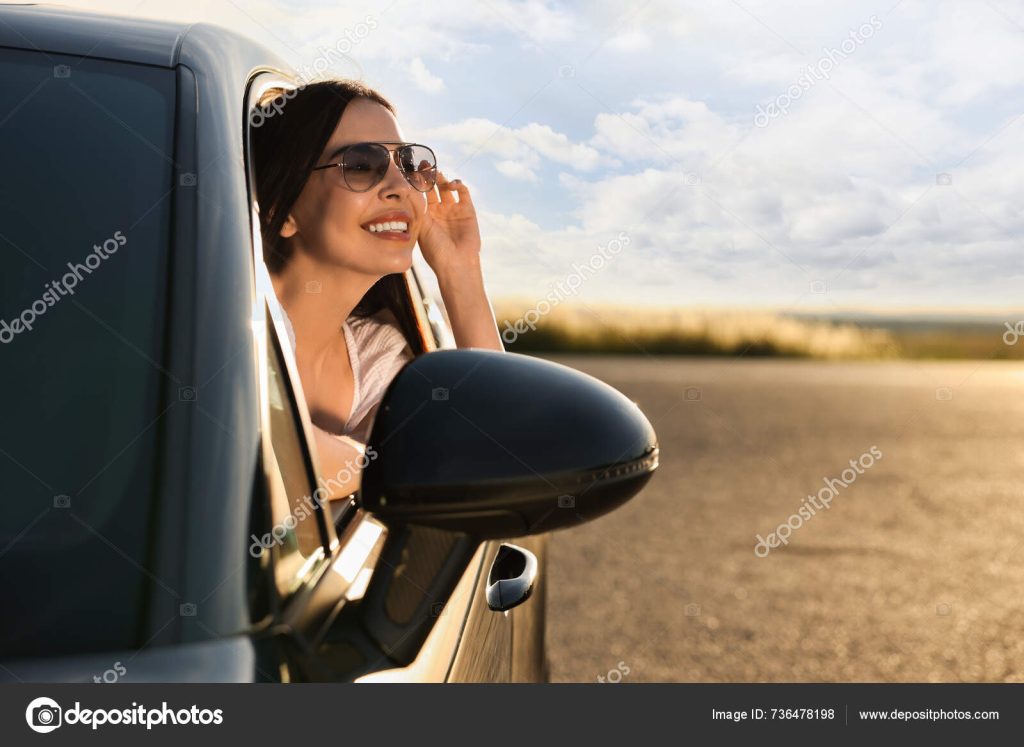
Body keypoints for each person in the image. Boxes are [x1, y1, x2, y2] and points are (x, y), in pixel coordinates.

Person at [251, 79, 503, 499]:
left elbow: (493, 449)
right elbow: (259, 435)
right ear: (284, 211)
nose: (401, 187)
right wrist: (383, 462)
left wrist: (461, 271)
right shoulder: (241, 322)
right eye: (360, 165)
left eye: (408, 164)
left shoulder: (374, 357)